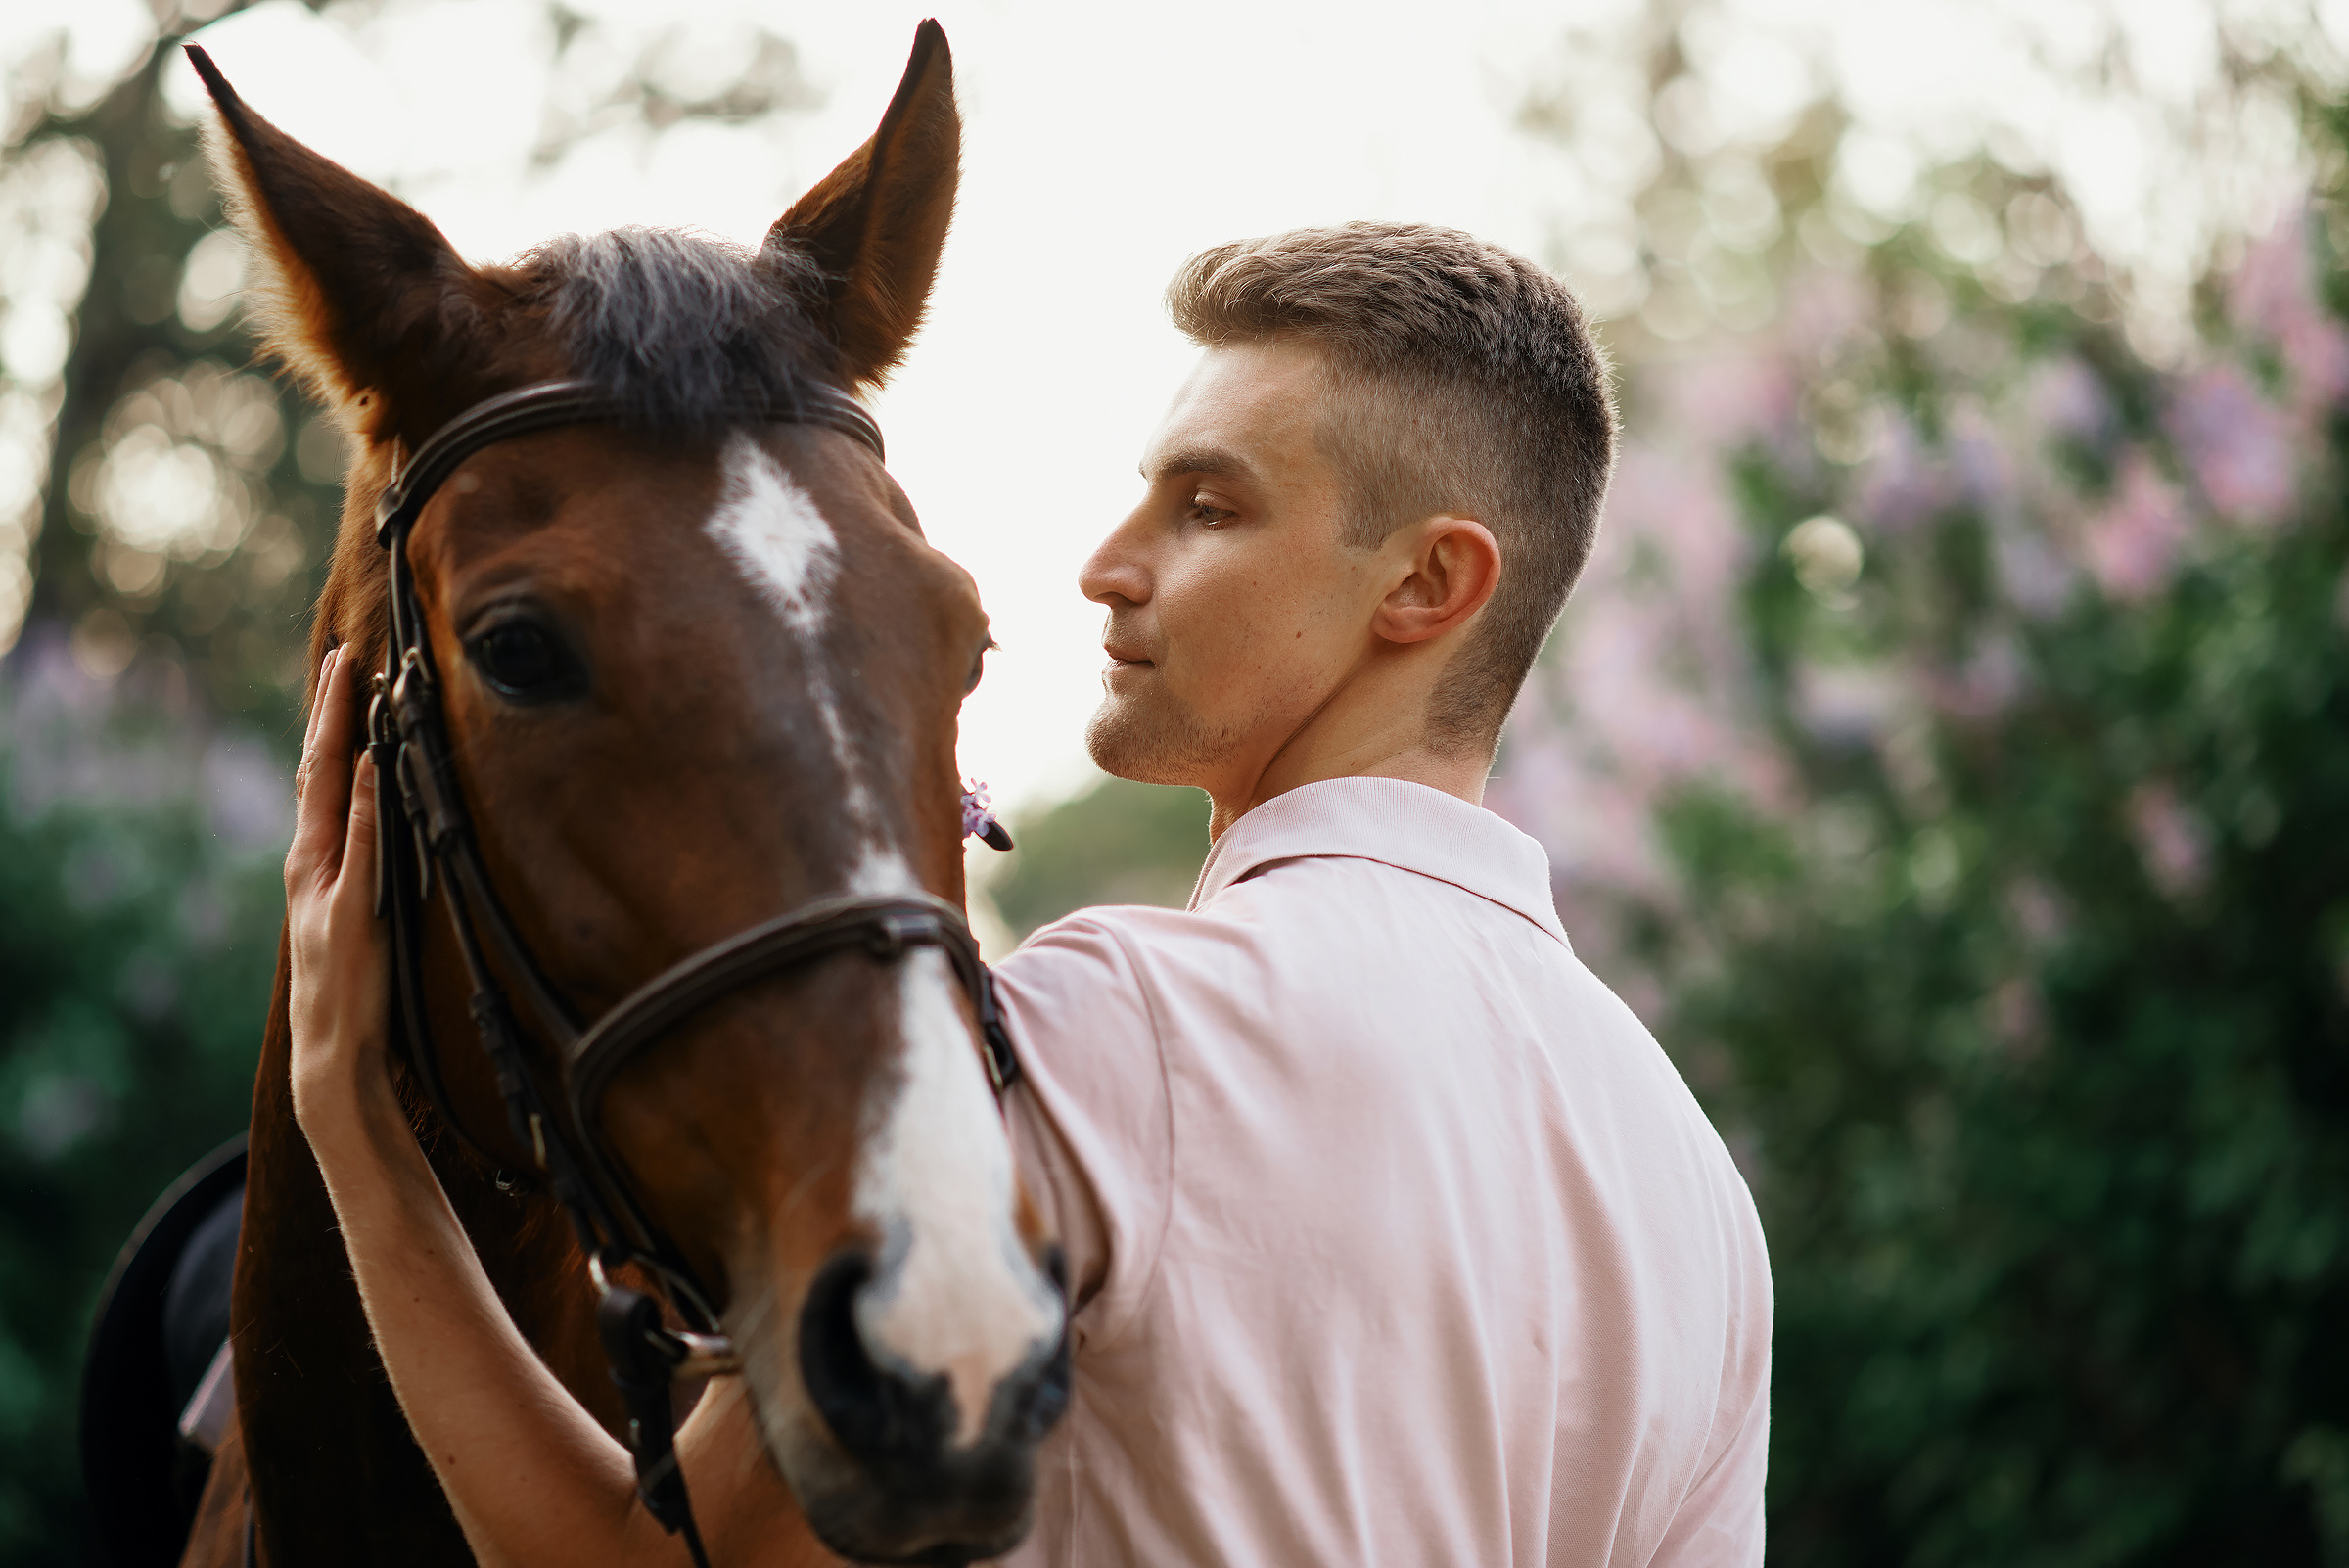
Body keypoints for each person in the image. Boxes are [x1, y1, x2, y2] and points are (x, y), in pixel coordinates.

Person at [287, 222, 1771, 1566]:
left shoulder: (1115, 1026)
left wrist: (355, 1128)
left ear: (1429, 586)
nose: (1106, 567)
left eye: (1207, 508)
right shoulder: (1695, 1189)